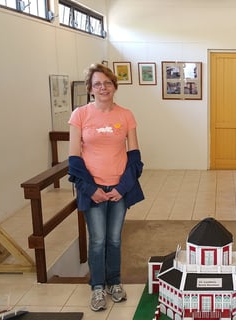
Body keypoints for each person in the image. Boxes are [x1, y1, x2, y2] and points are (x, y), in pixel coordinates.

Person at [68, 63, 144, 311]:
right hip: (94, 188)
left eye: (107, 83)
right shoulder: (79, 115)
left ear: (115, 87)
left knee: (114, 239)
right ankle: (97, 287)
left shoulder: (126, 115)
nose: (103, 88)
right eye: (97, 84)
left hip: (118, 188)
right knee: (98, 240)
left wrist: (123, 187)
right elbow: (74, 159)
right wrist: (91, 190)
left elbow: (134, 157)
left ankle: (115, 283)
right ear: (90, 89)